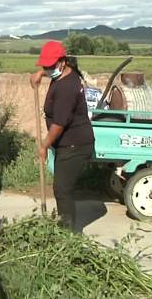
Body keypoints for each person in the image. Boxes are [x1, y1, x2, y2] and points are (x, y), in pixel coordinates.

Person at [30, 40, 95, 230]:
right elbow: (50, 71)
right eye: (45, 66)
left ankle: (69, 235)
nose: (48, 69)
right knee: (61, 188)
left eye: (50, 66)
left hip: (74, 144)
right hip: (69, 143)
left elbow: (59, 124)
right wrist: (40, 74)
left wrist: (43, 145)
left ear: (62, 62)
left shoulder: (67, 87)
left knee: (62, 190)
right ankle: (64, 229)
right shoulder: (65, 75)